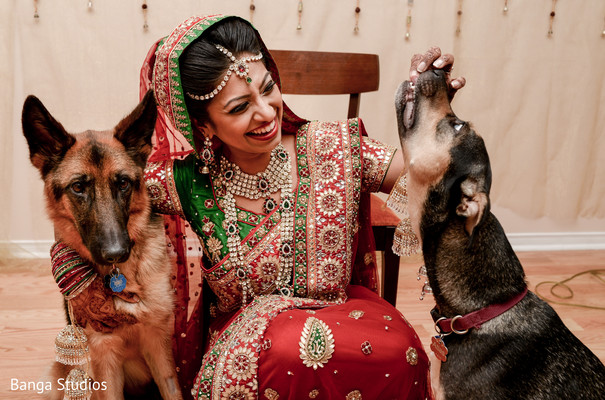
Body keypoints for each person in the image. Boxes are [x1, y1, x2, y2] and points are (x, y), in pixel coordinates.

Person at [55, 14, 465, 399]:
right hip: (252, 348)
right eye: (238, 107)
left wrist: (433, 124)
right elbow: (90, 203)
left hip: (351, 321)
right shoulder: (186, 180)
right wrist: (75, 278)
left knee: (398, 352)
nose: (266, 112)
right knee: (289, 351)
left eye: (267, 88)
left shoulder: (334, 147)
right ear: (203, 125)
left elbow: (439, 186)